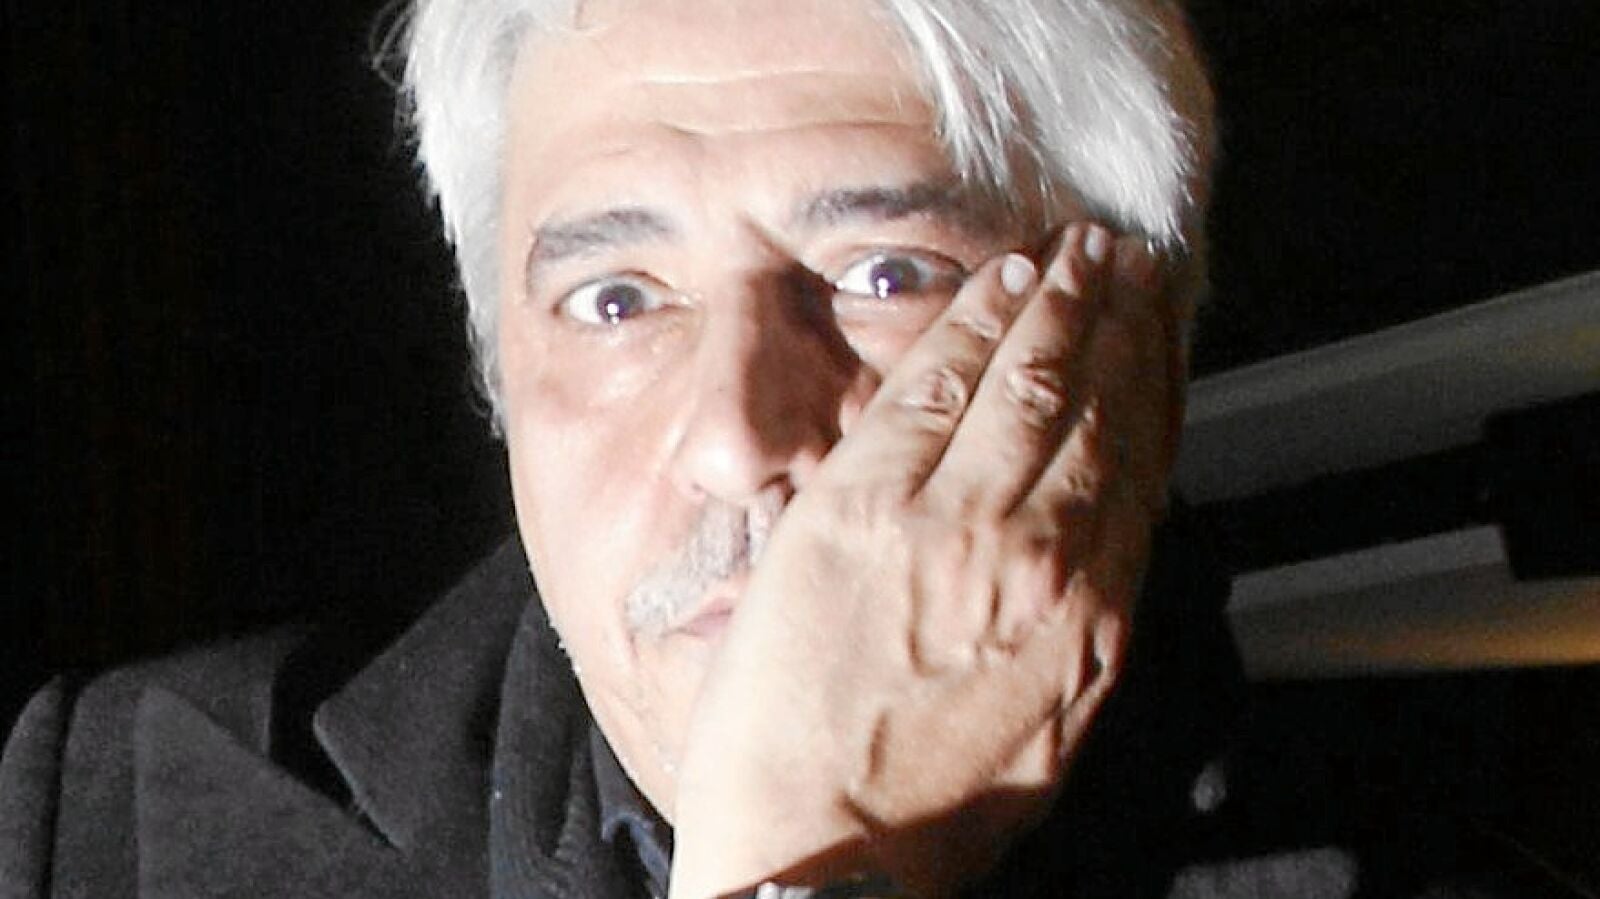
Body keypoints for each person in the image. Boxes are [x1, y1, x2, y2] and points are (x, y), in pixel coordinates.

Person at [0, 0, 1358, 897]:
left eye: (886, 274)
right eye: (617, 301)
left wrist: (805, 849)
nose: (733, 438)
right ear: (498, 372)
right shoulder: (113, 820)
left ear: (1134, 358)